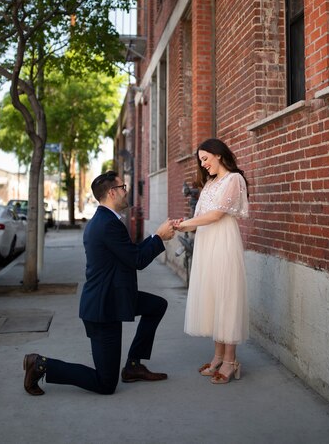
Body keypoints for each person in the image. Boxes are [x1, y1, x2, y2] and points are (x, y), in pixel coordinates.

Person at [23, 171, 175, 396]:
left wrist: (155, 237)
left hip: (116, 297)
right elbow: (137, 260)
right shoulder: (107, 225)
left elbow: (130, 254)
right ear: (112, 192)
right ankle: (41, 365)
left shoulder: (106, 221)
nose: (126, 191)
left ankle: (133, 365)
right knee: (105, 384)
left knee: (156, 305)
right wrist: (159, 237)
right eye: (123, 187)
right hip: (103, 310)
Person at [174, 138, 249, 384]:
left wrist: (182, 224)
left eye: (205, 158)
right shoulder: (210, 182)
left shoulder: (233, 179)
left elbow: (216, 215)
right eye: (201, 160)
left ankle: (230, 360)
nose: (203, 164)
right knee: (214, 297)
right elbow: (202, 216)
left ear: (218, 155)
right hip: (207, 243)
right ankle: (217, 355)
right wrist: (185, 223)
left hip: (223, 242)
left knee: (227, 297)